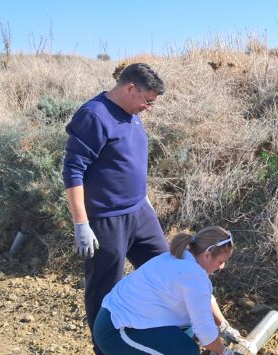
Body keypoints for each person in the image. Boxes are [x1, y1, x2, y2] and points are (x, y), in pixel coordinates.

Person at [61, 63, 170, 353]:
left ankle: (156, 338)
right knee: (104, 291)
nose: (149, 108)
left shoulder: (132, 113)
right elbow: (73, 171)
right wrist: (81, 223)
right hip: (106, 220)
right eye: (147, 100)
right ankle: (104, 348)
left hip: (139, 212)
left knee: (167, 272)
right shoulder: (93, 116)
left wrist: (143, 198)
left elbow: (125, 161)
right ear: (130, 88)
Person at [93, 226, 249, 355]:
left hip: (122, 321)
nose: (222, 267)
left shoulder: (183, 258)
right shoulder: (193, 275)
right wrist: (225, 352)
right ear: (207, 255)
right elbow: (206, 333)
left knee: (186, 333)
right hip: (117, 331)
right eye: (221, 261)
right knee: (185, 351)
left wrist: (224, 327)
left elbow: (205, 299)